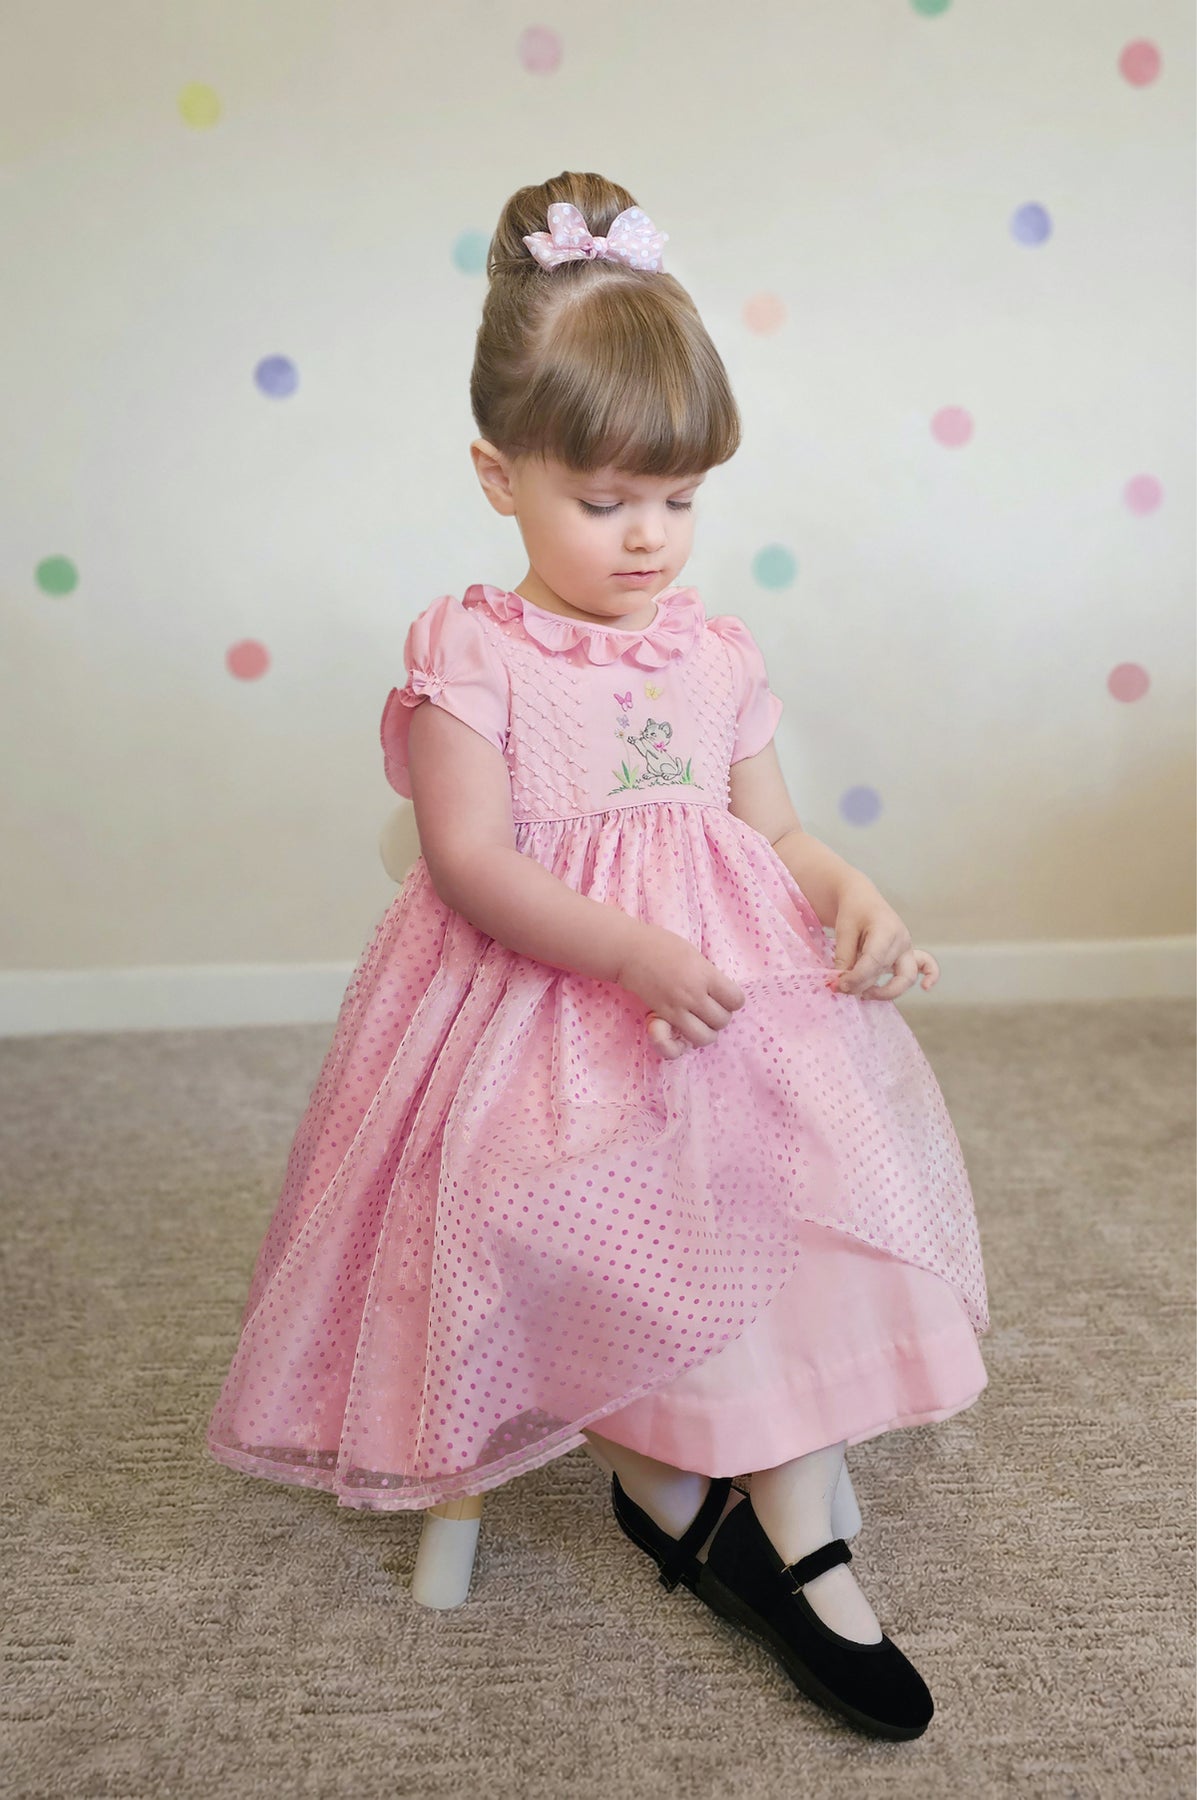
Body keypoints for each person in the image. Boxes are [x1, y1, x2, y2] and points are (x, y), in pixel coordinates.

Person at [206, 171, 990, 1742]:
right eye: (605, 499)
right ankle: (674, 1479)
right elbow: (469, 861)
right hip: (541, 1016)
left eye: (678, 500)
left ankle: (793, 1516)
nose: (648, 539)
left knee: (802, 1180)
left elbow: (773, 829)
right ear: (499, 477)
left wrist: (851, 893)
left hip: (726, 1010)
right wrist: (630, 952)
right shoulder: (471, 652)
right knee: (571, 1197)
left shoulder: (713, 649)